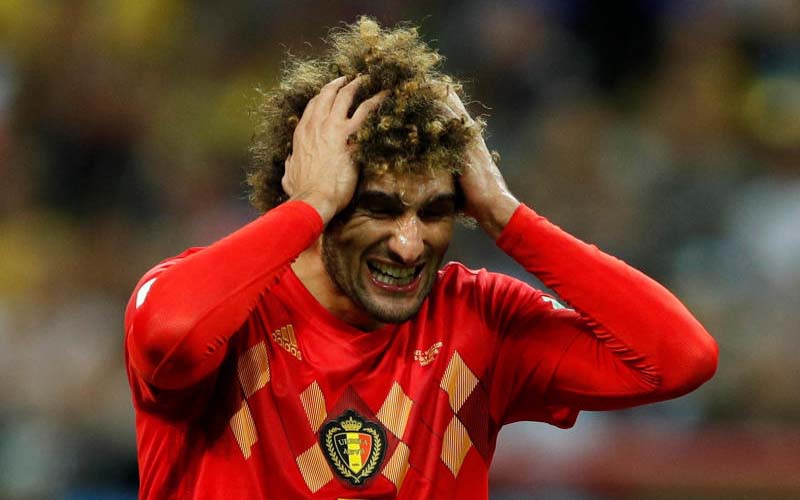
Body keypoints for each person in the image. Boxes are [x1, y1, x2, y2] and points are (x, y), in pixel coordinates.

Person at [124, 17, 718, 500]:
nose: (409, 244)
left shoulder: (479, 319)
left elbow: (679, 360)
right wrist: (308, 204)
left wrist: (507, 216)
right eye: (378, 208)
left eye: (434, 211)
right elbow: (169, 334)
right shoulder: (225, 309)